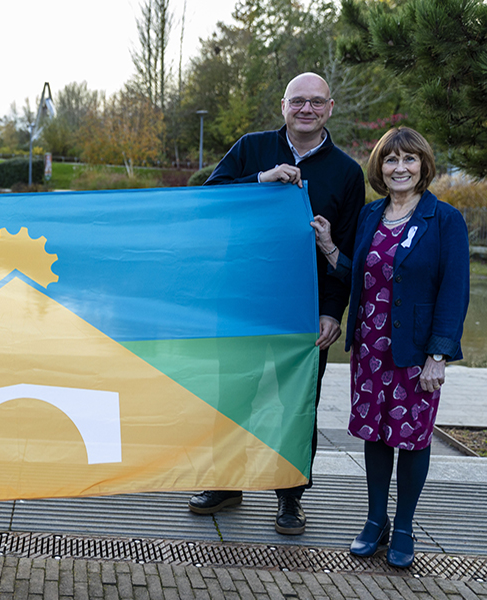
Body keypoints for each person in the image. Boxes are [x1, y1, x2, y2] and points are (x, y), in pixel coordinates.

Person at [189, 72, 366, 535]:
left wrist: (333, 311)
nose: (306, 109)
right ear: (283, 106)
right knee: (232, 396)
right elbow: (208, 203)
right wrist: (261, 181)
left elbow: (345, 250)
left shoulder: (347, 172)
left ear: (330, 107)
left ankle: (290, 496)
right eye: (297, 102)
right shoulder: (252, 148)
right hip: (243, 299)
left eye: (316, 102)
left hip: (305, 308)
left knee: (297, 403)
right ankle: (226, 483)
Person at [312, 127, 469, 568]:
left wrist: (438, 355)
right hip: (370, 349)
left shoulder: (445, 220)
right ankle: (374, 520)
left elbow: (454, 293)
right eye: (390, 160)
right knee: (375, 436)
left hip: (415, 354)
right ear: (380, 167)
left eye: (409, 160)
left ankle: (403, 527)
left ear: (423, 167)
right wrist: (329, 247)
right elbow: (356, 273)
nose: (399, 168)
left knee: (413, 439)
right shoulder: (370, 216)